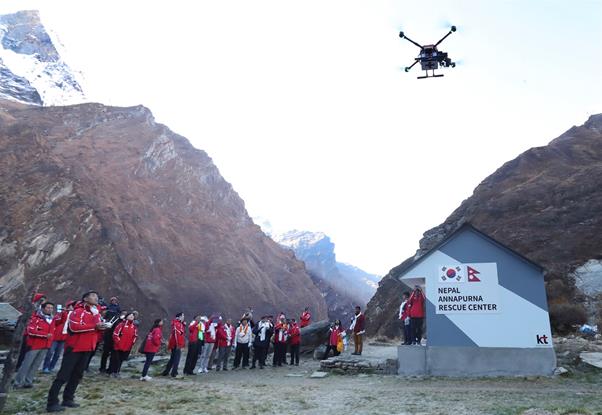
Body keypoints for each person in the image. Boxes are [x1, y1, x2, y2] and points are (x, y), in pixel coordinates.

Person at [47, 291, 106, 412]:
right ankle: (52, 402)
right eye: (93, 296)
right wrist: (95, 326)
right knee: (63, 375)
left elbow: (96, 329)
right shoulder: (78, 311)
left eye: (97, 297)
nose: (96, 298)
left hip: (88, 347)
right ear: (85, 298)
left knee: (77, 375)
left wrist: (102, 327)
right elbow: (74, 327)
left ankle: (68, 398)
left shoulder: (96, 313)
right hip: (74, 347)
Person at [14, 302, 55, 388]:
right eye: (48, 308)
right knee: (27, 364)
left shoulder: (52, 319)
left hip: (45, 345)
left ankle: (28, 381)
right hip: (34, 344)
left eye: (51, 308)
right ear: (43, 308)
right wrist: (44, 335)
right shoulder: (35, 318)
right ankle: (18, 382)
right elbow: (31, 331)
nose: (50, 309)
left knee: (36, 364)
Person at [16, 292, 47, 370]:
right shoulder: (30, 308)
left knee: (26, 351)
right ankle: (16, 366)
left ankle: (20, 366)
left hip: (32, 333)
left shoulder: (40, 310)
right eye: (42, 300)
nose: (43, 302)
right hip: (25, 332)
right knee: (20, 351)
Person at [43, 300, 75, 373]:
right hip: (56, 336)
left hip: (64, 337)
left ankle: (51, 367)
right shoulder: (61, 313)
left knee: (57, 354)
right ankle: (45, 367)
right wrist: (63, 313)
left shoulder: (74, 315)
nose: (72, 307)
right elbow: (56, 321)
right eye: (71, 305)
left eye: (73, 306)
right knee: (50, 352)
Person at [108, 311, 138, 378]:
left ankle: (117, 372)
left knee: (121, 360)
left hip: (127, 346)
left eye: (132, 316)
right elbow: (115, 334)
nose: (131, 317)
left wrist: (132, 343)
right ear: (126, 317)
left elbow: (135, 336)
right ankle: (112, 372)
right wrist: (118, 342)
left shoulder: (134, 327)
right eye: (130, 316)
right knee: (115, 359)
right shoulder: (121, 324)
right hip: (118, 346)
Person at [161, 312, 185, 377]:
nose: (183, 317)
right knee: (176, 358)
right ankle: (174, 372)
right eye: (183, 316)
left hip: (175, 344)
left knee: (172, 358)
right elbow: (177, 335)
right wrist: (178, 344)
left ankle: (166, 371)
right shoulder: (177, 324)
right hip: (176, 344)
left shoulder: (179, 324)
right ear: (179, 317)